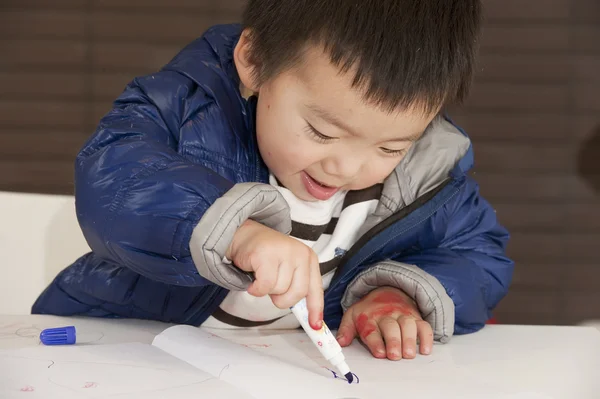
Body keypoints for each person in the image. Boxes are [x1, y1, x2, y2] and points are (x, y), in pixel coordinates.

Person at [32, 0, 514, 361]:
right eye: (322, 131)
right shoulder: (188, 109)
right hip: (120, 352)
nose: (346, 168)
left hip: (281, 370)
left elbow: (479, 254)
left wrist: (398, 292)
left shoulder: (424, 173)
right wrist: (233, 231)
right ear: (255, 62)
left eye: (391, 147)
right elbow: (113, 175)